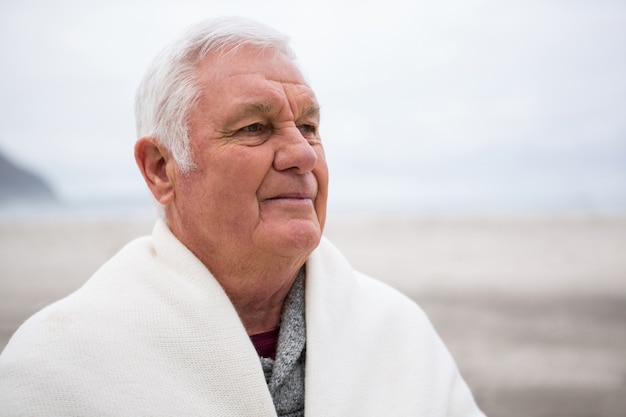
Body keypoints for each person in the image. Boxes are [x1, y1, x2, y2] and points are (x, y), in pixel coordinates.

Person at [0, 17, 485, 417]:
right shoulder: (60, 363)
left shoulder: (398, 333)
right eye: (255, 128)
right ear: (162, 170)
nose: (303, 154)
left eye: (310, 127)